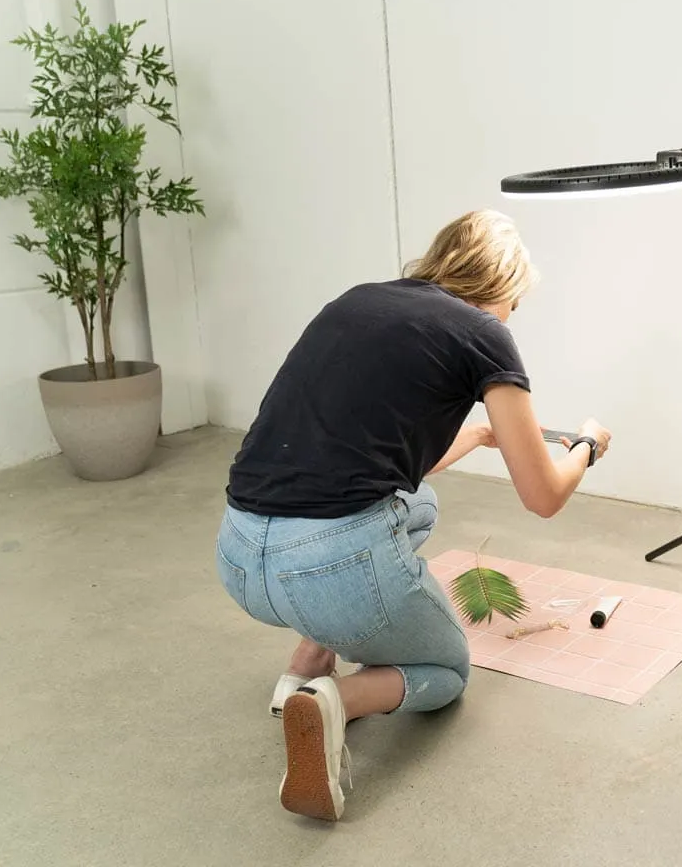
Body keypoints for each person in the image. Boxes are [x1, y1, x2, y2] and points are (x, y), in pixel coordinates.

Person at [214, 208, 612, 821]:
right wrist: (586, 444)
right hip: (332, 570)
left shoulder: (358, 301)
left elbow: (385, 464)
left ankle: (304, 666)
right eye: (517, 302)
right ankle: (332, 702)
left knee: (418, 504)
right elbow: (544, 496)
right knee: (446, 669)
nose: (512, 316)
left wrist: (479, 437)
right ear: (501, 286)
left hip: (240, 554)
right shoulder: (484, 331)